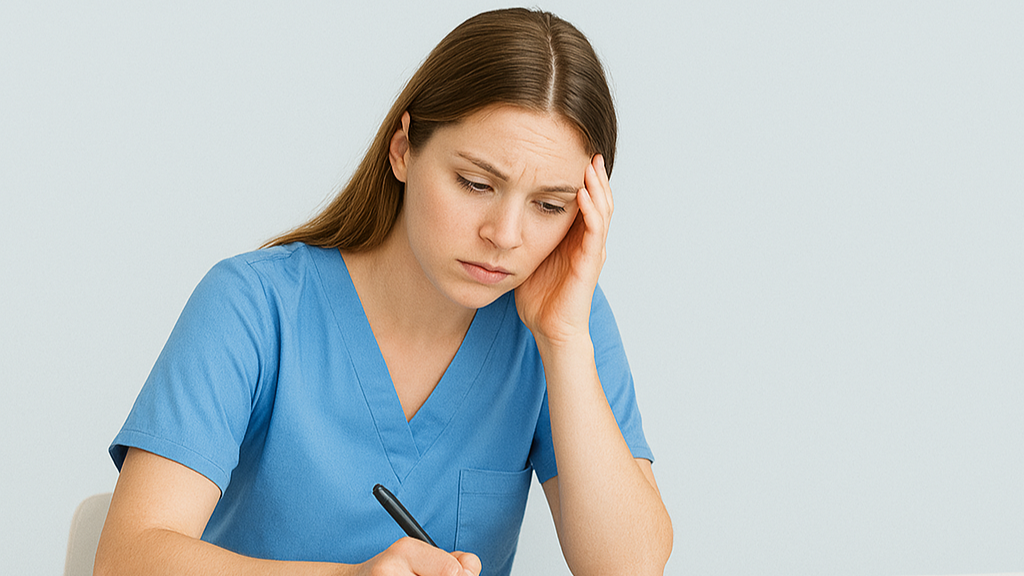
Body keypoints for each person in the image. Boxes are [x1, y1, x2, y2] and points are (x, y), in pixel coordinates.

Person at [95, 7, 672, 576]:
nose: (505, 235)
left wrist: (565, 341)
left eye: (549, 205)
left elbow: (630, 570)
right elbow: (126, 559)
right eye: (475, 183)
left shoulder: (562, 320)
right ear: (403, 150)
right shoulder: (253, 306)